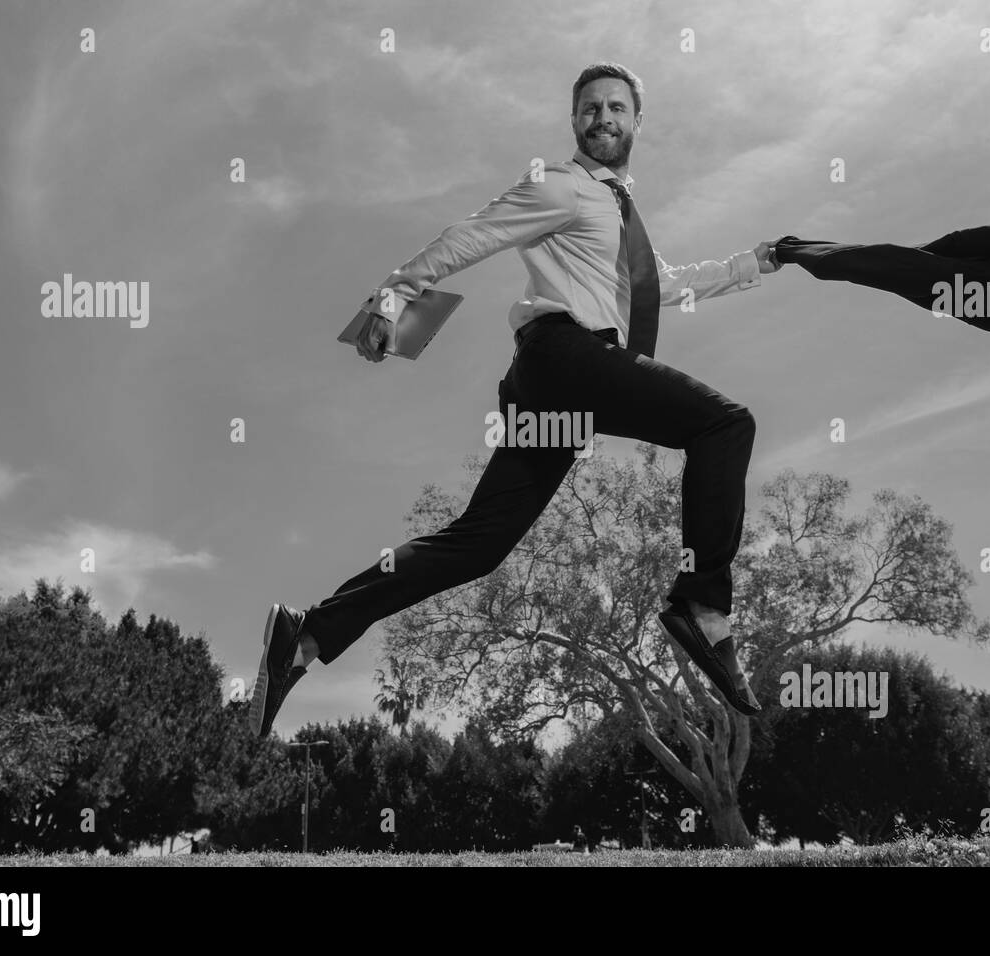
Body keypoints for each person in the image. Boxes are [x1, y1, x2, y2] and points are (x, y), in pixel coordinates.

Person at [249, 62, 781, 739]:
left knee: (478, 545)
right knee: (724, 424)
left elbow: (660, 287)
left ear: (637, 122)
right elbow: (477, 231)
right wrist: (393, 296)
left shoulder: (619, 218)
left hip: (557, 391)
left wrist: (748, 266)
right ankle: (703, 604)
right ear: (574, 121)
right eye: (589, 107)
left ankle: (304, 635)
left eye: (616, 107)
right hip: (563, 359)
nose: (603, 117)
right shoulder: (562, 184)